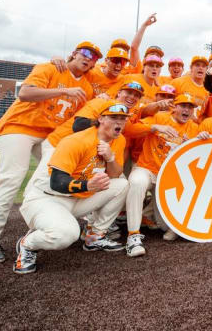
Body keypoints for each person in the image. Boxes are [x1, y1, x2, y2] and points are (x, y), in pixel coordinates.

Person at [0, 42, 98, 265]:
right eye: (86, 52)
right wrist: (64, 90)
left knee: (58, 177)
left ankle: (47, 225)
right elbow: (24, 93)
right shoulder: (50, 68)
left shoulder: (88, 87)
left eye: (95, 57)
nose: (90, 58)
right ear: (74, 53)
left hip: (49, 136)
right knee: (11, 180)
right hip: (19, 127)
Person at [12, 103, 131, 274]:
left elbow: (115, 174)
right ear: (101, 119)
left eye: (123, 118)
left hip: (78, 198)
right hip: (48, 197)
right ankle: (27, 244)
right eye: (113, 118)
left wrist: (110, 158)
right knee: (66, 235)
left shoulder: (119, 140)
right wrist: (87, 185)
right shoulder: (76, 140)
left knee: (122, 185)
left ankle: (94, 235)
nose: (119, 122)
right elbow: (57, 182)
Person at [125, 94, 202, 255]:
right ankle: (133, 235)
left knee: (167, 228)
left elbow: (197, 161)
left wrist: (198, 142)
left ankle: (149, 214)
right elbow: (129, 130)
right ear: (175, 107)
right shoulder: (159, 117)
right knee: (137, 182)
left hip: (168, 178)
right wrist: (154, 127)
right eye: (183, 106)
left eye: (190, 107)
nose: (186, 110)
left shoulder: (194, 128)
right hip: (147, 168)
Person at [172, 55, 210, 122]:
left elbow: (205, 114)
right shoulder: (177, 82)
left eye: (203, 66)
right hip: (176, 124)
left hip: (195, 128)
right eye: (197, 65)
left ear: (206, 69)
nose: (200, 68)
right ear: (191, 68)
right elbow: (167, 105)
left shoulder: (208, 89)